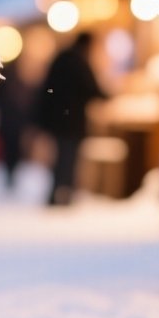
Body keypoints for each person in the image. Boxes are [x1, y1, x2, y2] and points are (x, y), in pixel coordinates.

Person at [36, 32, 105, 206]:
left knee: (61, 157)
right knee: (69, 158)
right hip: (72, 120)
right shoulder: (80, 62)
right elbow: (91, 89)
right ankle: (64, 193)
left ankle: (55, 193)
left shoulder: (61, 58)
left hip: (57, 119)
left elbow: (47, 88)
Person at [0, 53, 31, 191]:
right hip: (14, 123)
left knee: (10, 150)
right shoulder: (19, 83)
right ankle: (10, 173)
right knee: (13, 150)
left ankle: (10, 174)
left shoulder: (8, 83)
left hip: (9, 122)